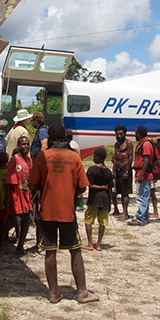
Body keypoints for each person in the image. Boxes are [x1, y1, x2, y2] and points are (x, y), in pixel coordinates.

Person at [28, 122, 99, 304]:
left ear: (49, 138)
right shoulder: (74, 157)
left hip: (47, 211)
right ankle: (82, 292)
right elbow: (83, 186)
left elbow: (32, 183)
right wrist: (70, 193)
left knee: (50, 251)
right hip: (67, 211)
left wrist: (43, 190)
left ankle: (53, 293)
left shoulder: (42, 156)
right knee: (75, 250)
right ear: (66, 138)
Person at [0, 135, 32, 253]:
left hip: (26, 193)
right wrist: (7, 196)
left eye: (27, 144)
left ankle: (20, 246)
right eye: (23, 144)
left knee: (26, 221)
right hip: (15, 194)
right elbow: (8, 179)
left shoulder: (29, 160)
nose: (25, 146)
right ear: (18, 146)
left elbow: (29, 178)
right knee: (14, 220)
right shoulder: (15, 159)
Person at [83, 147, 112, 251]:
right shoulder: (108, 172)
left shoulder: (91, 170)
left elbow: (89, 185)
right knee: (102, 222)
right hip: (105, 200)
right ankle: (99, 244)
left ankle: (90, 243)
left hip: (94, 199)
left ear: (97, 157)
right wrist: (110, 203)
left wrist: (101, 187)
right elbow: (110, 189)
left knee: (88, 220)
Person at [128, 125, 154, 226]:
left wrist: (142, 174)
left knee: (141, 196)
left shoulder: (146, 144)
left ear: (139, 133)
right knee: (144, 196)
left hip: (144, 175)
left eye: (135, 133)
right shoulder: (143, 143)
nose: (134, 135)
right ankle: (145, 217)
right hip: (142, 174)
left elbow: (146, 159)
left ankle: (140, 218)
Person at [111, 125, 133, 219]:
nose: (119, 136)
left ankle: (125, 213)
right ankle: (116, 210)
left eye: (121, 134)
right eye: (117, 134)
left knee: (125, 193)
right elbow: (116, 158)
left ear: (124, 134)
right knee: (115, 192)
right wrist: (113, 171)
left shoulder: (128, 143)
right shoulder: (117, 144)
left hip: (125, 169)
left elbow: (130, 157)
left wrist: (127, 171)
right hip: (118, 170)